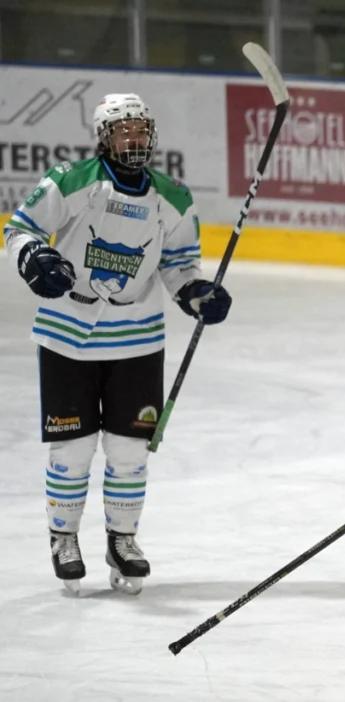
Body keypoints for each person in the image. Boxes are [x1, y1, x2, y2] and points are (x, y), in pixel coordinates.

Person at [3, 93, 231, 596]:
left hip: (137, 341)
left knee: (130, 450)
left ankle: (121, 539)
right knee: (73, 448)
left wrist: (198, 293)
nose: (134, 138)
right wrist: (34, 258)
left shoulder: (173, 197)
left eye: (141, 129)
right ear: (104, 137)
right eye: (123, 130)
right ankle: (63, 536)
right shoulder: (71, 180)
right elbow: (19, 229)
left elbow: (180, 265)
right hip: (67, 336)